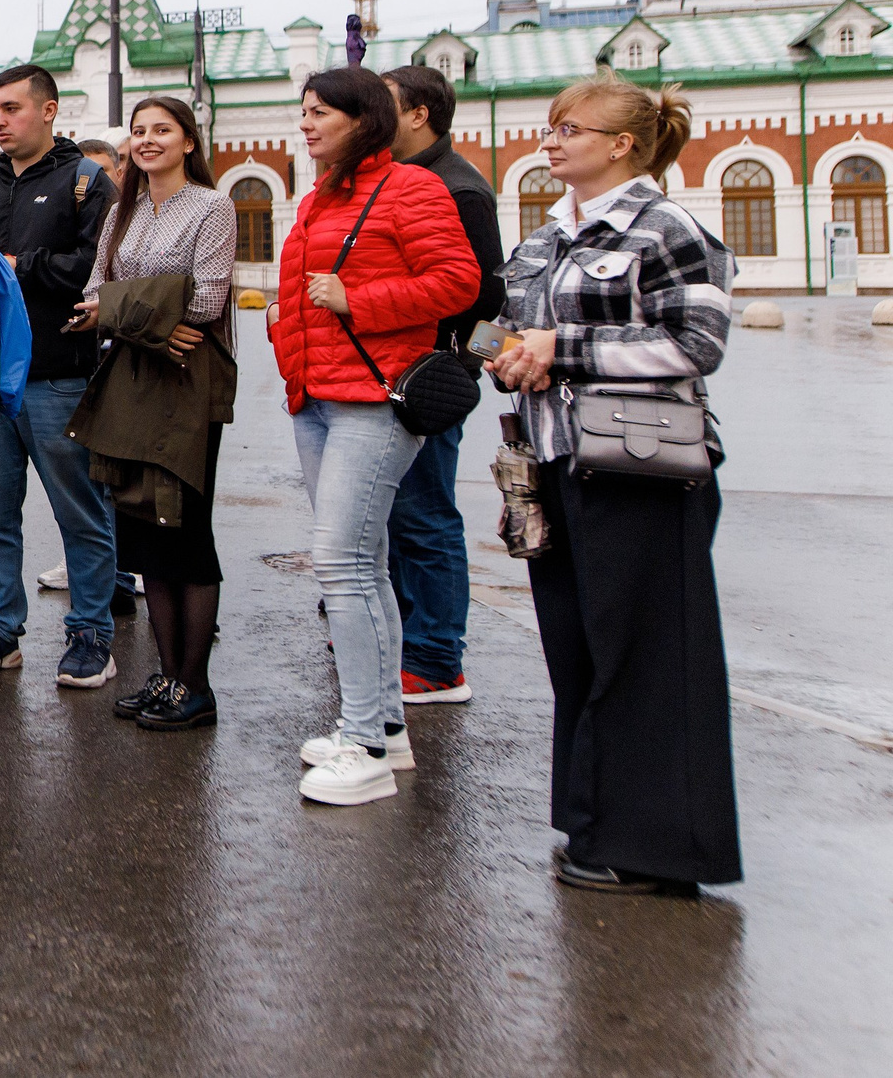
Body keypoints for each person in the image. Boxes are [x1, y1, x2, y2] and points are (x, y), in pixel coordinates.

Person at [489, 77, 737, 895]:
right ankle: (594, 827)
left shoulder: (668, 227)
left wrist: (559, 349)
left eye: (570, 128)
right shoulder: (544, 236)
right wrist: (500, 352)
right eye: (550, 127)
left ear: (623, 143)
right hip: (555, 462)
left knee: (649, 659)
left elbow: (694, 343)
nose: (551, 141)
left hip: (644, 469)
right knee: (579, 650)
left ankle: (660, 853)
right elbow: (507, 327)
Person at [271, 66, 480, 805]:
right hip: (318, 398)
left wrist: (359, 298)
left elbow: (460, 282)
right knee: (366, 560)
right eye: (303, 111)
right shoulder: (321, 193)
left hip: (373, 399)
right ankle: (383, 727)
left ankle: (362, 742)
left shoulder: (413, 188)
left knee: (343, 564)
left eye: (320, 111)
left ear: (364, 119)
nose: (307, 123)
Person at [67, 97, 238, 731]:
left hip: (189, 385)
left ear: (189, 141)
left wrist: (123, 312)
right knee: (147, 537)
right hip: (136, 378)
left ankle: (196, 688)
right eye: (138, 131)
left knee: (187, 533)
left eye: (161, 130)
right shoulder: (122, 210)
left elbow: (206, 301)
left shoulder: (211, 206)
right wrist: (150, 325)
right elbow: (90, 300)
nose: (146, 140)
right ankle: (166, 679)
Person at [0, 63, 117, 685]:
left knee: (79, 511)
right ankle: (0, 628)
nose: (0, 121)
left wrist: (19, 265)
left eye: (12, 109)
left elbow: (97, 269)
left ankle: (92, 636)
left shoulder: (87, 183)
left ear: (50, 110)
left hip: (60, 378)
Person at [382, 66, 505, 705]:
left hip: (428, 379)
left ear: (420, 114)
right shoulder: (397, 179)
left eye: (386, 104)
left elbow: (492, 294)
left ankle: (436, 658)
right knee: (395, 512)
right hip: (392, 373)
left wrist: (469, 367)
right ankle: (404, 634)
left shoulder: (459, 190)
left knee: (425, 515)